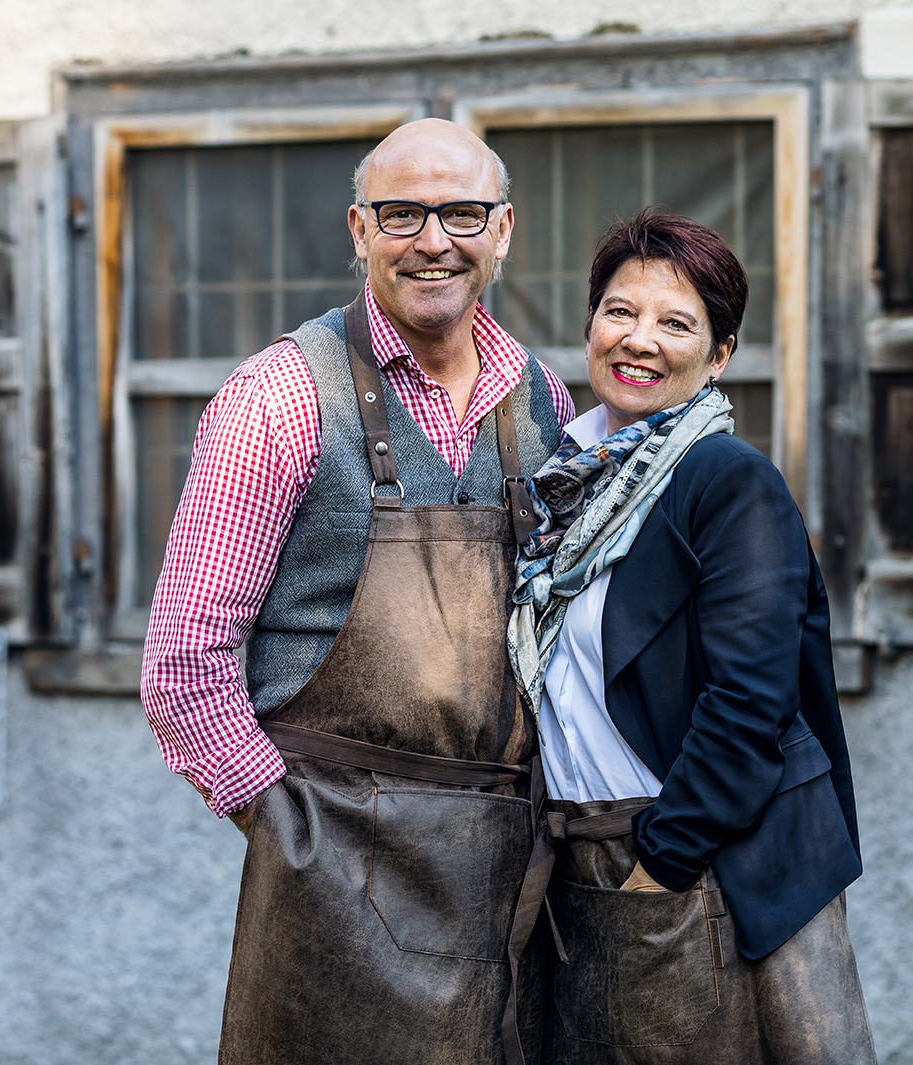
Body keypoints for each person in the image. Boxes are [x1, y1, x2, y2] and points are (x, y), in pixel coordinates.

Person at [142, 118, 573, 1065]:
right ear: (357, 228)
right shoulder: (280, 396)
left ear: (503, 230)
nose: (433, 240)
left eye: (461, 213)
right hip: (331, 864)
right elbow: (184, 667)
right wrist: (292, 832)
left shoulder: (545, 402)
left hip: (509, 870)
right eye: (401, 213)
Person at [508, 209, 876, 1063]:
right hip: (583, 867)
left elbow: (750, 701)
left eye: (676, 323)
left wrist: (659, 866)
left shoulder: (725, 481)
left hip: (696, 865)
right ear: (590, 324)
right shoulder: (564, 488)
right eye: (619, 311)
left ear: (718, 356)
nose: (639, 340)